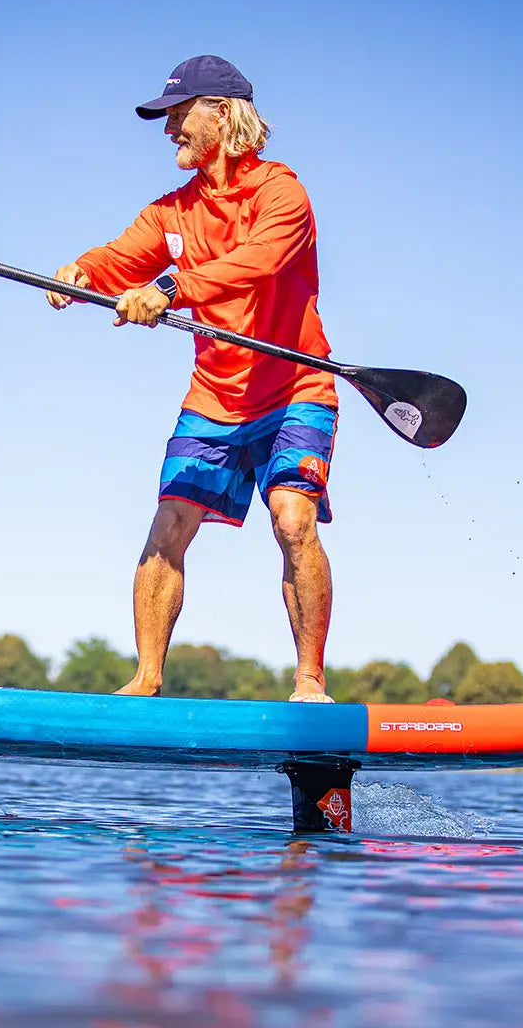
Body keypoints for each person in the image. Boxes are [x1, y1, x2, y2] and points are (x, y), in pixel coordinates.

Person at [46, 55, 338, 703]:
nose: (168, 129)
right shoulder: (172, 211)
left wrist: (169, 289)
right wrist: (84, 273)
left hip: (295, 390)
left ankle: (309, 682)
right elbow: (122, 256)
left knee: (293, 520)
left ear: (224, 115)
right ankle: (147, 680)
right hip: (213, 398)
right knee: (169, 524)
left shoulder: (281, 193)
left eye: (179, 115)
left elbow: (256, 264)